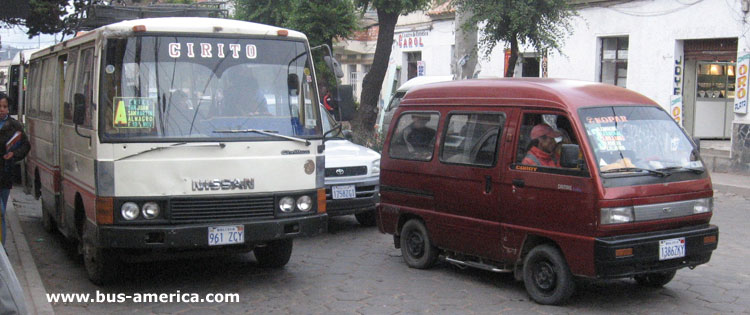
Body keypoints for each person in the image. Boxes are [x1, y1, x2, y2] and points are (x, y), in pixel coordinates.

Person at [0, 94, 30, 246]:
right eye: (0, 107)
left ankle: (2, 249)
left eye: (4, 107)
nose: (2, 110)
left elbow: (26, 145)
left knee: (2, 213)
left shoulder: (14, 126)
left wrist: (14, 154)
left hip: (5, 174)